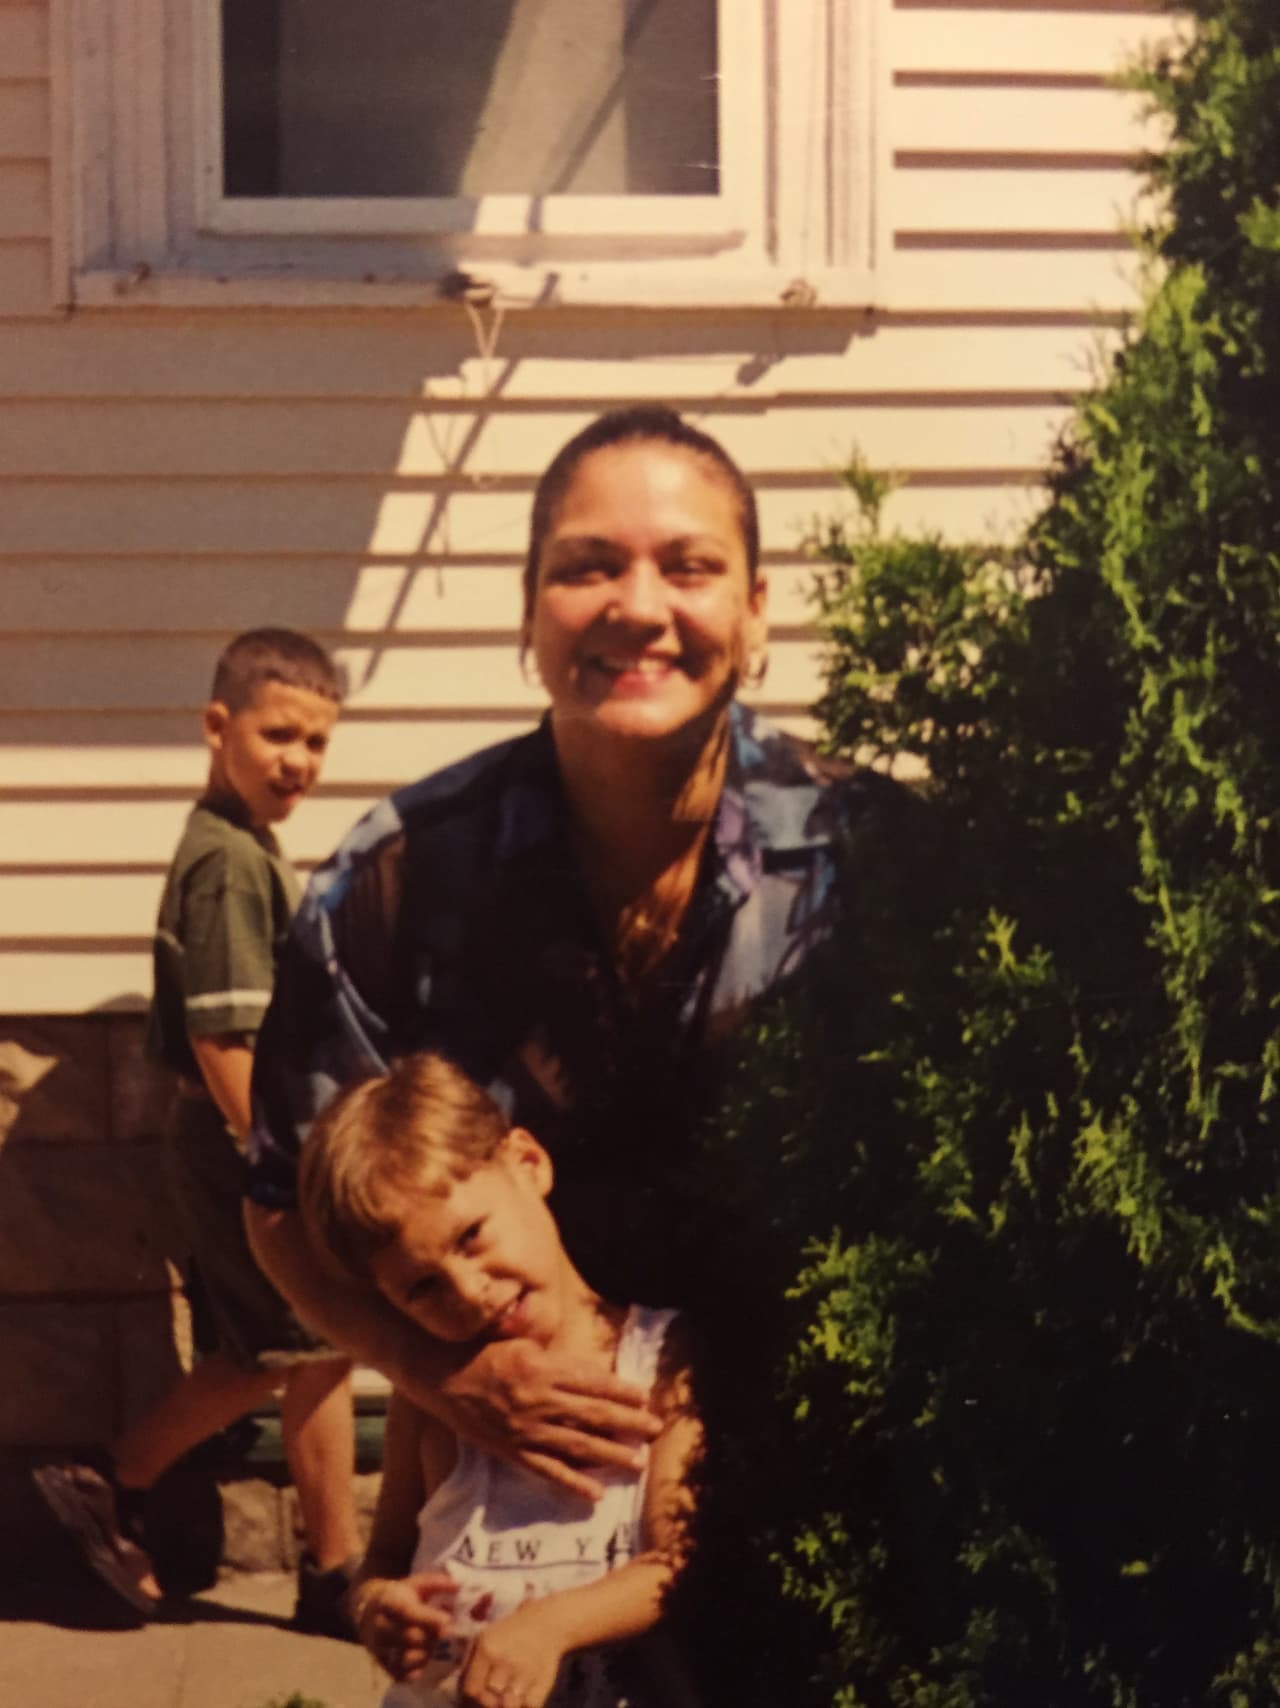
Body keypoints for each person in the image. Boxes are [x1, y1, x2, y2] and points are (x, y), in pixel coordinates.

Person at [245, 407, 899, 1493]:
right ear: (529, 615)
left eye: (687, 566)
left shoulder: (870, 861)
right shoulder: (400, 877)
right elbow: (278, 1202)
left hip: (822, 1489)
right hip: (526, 1498)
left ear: (753, 611)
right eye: (587, 566)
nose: (637, 606)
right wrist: (430, 1373)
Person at [34, 628, 362, 1634]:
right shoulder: (224, 863)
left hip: (235, 1142)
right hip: (237, 1145)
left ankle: (116, 1481)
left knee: (289, 1348)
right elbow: (226, 1039)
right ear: (216, 726)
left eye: (314, 742)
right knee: (302, 1346)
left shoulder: (238, 841)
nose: (296, 761)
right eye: (276, 735)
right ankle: (322, 1567)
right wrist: (284, 1161)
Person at [299, 1052, 700, 1708]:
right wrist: (377, 1607)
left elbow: (677, 1564)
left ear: (527, 1164)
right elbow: (388, 1555)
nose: (470, 1292)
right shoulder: (436, 1401)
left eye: (470, 1237)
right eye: (423, 1287)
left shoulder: (660, 1360)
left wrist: (552, 1627)